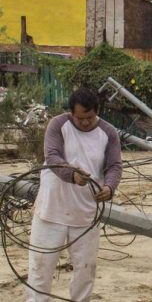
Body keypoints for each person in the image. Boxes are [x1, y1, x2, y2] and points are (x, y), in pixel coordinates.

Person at [27, 88, 122, 302]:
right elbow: (52, 156)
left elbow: (114, 166)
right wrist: (72, 175)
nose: (85, 123)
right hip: (52, 211)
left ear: (96, 111)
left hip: (86, 214)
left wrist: (110, 187)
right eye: (80, 118)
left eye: (89, 118)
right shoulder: (58, 125)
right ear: (71, 113)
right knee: (40, 269)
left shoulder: (108, 133)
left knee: (84, 272)